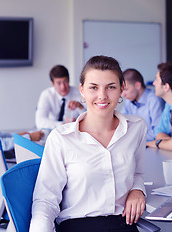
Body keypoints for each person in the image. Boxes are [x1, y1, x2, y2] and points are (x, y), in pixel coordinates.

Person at [30, 56, 147, 232]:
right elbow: (46, 200)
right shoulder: (61, 138)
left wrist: (138, 190)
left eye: (111, 87)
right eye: (93, 87)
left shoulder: (136, 128)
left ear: (122, 89)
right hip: (78, 225)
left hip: (123, 224)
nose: (102, 96)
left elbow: (137, 172)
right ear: (82, 91)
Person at [35, 65, 85, 129]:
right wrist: (62, 125)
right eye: (59, 83)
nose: (63, 86)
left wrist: (80, 106)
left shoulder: (79, 93)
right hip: (52, 131)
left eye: (65, 81)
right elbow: (40, 122)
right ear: (52, 83)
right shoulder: (47, 95)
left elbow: (89, 118)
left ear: (69, 79)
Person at [121, 68, 164, 141]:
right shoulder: (129, 100)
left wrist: (132, 136)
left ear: (137, 85)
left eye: (126, 89)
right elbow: (121, 124)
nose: (123, 94)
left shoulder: (155, 100)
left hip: (153, 146)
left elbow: (158, 134)